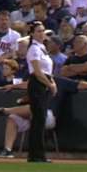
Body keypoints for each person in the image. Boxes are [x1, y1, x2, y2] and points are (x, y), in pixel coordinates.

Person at [25, 21, 56, 163]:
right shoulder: (34, 49)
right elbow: (37, 72)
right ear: (32, 33)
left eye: (42, 30)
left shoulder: (42, 47)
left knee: (40, 119)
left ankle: (37, 154)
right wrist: (50, 84)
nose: (41, 33)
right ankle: (36, 154)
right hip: (38, 84)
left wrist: (52, 82)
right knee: (38, 119)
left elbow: (48, 70)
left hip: (44, 82)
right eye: (38, 31)